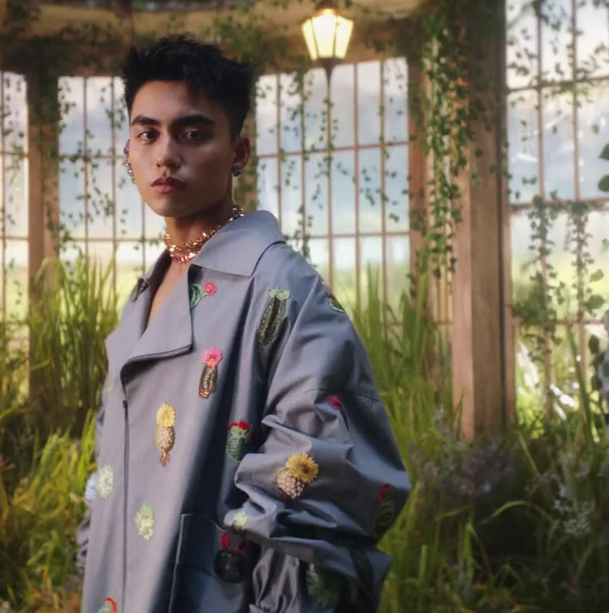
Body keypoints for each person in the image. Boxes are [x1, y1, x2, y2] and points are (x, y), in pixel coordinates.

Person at [74, 35, 410, 613]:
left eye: (194, 133)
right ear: (127, 148)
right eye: (147, 132)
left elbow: (320, 472)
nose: (165, 154)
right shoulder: (144, 296)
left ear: (239, 151)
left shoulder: (280, 285)